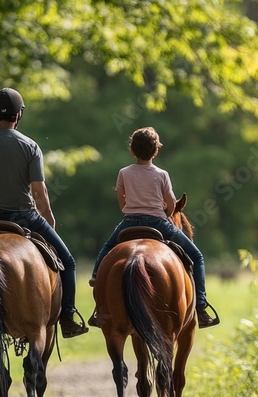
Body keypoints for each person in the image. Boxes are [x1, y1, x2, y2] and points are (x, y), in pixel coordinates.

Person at [0, 87, 89, 338]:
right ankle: (67, 317)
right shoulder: (30, 146)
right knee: (69, 262)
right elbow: (39, 193)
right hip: (24, 216)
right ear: (18, 115)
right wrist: (48, 219)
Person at [89, 127, 219, 328]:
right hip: (158, 222)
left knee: (107, 249)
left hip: (129, 221)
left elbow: (122, 205)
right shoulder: (162, 174)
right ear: (155, 151)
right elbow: (171, 205)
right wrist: (163, 214)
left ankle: (97, 281)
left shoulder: (123, 173)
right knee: (197, 257)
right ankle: (200, 307)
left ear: (132, 151)